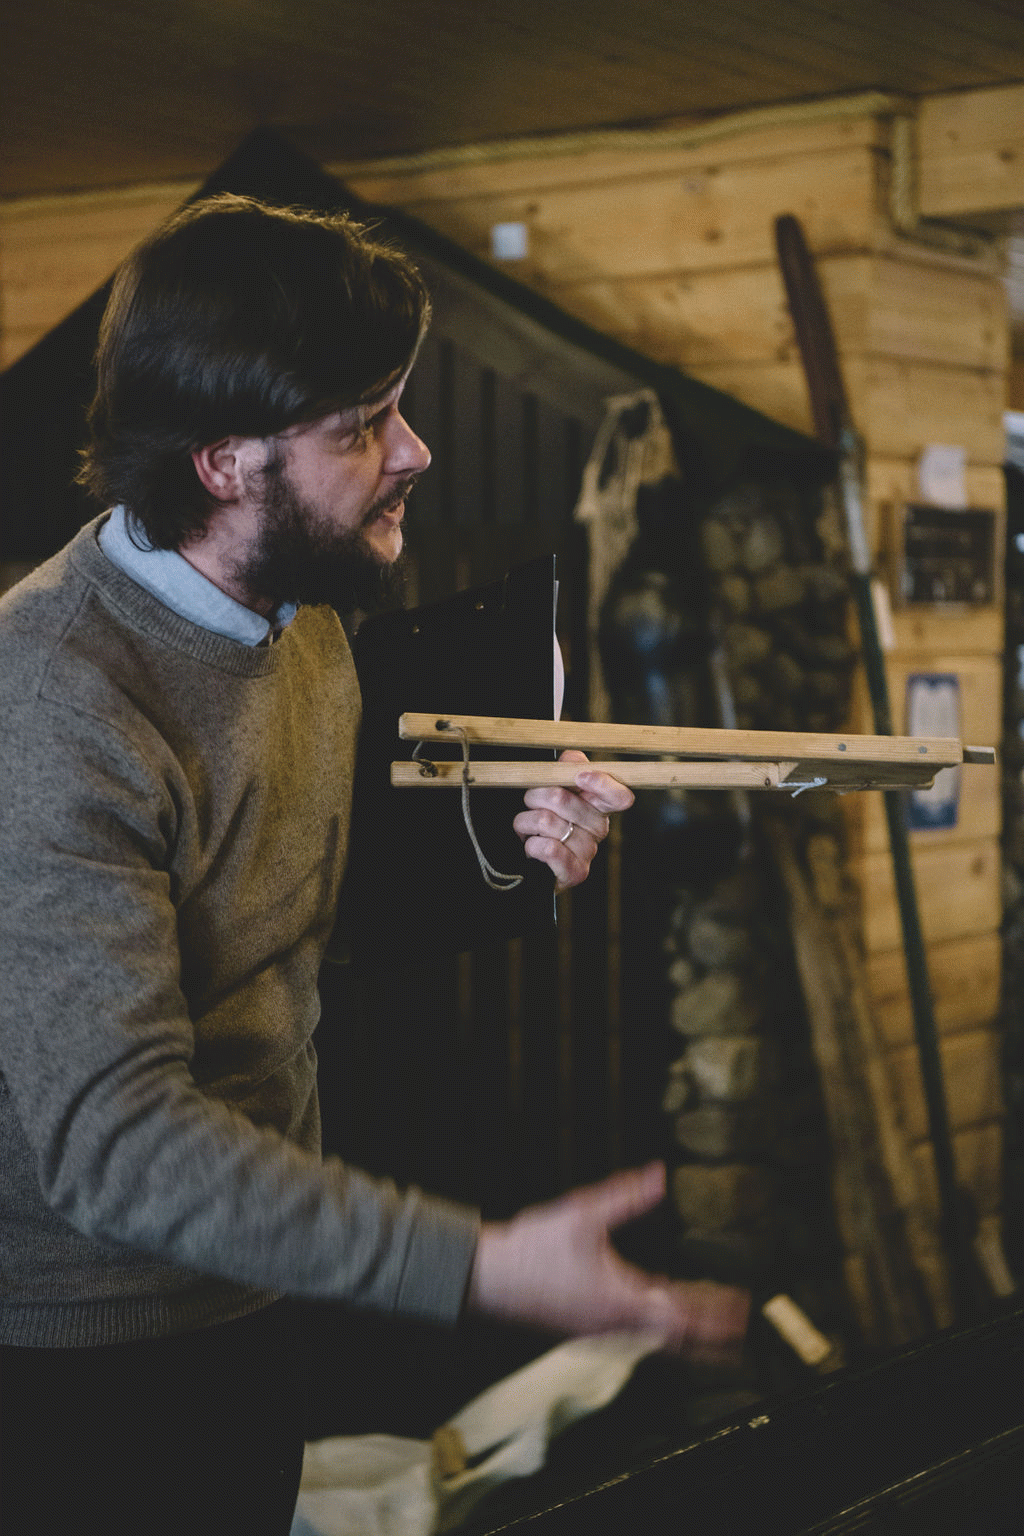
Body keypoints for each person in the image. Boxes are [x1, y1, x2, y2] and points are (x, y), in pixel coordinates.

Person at [0, 195, 748, 1535]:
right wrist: (483, 1264)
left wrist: (509, 861)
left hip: (250, 1299)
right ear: (226, 463)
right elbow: (112, 1146)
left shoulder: (299, 624)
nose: (415, 452)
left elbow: (280, 922)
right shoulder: (53, 704)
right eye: (363, 424)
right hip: (71, 1356)